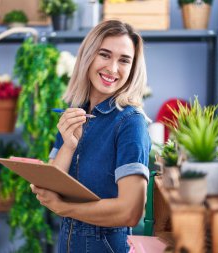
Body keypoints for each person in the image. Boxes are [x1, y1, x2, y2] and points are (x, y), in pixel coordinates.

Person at [30, 20, 151, 253]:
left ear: (133, 68)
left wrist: (65, 209)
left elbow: (131, 211)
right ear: (88, 57)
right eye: (104, 55)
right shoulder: (75, 114)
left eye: (124, 60)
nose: (113, 68)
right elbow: (49, 191)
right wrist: (68, 145)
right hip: (67, 240)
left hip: (104, 244)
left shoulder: (130, 123)